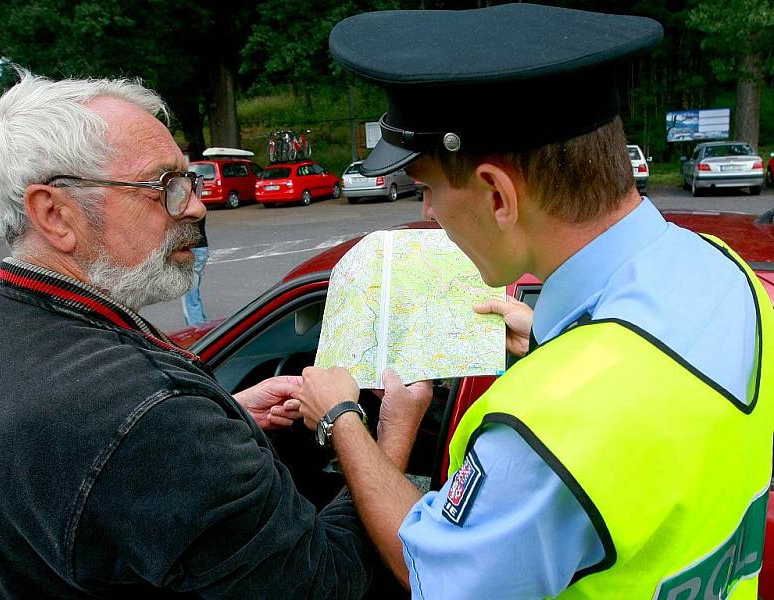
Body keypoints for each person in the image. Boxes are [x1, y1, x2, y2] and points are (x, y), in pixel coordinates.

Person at [296, 4, 774, 598]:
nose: (427, 216)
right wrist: (557, 344)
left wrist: (342, 420)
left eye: (427, 189)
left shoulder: (542, 429)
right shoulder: (728, 273)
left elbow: (434, 573)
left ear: (498, 194)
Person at [0, 71, 427, 598]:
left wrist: (227, 413)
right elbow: (328, 583)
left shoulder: (11, 331)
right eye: (163, 185)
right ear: (55, 214)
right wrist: (372, 427)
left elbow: (96, 465)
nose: (194, 205)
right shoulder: (150, 416)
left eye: (188, 181)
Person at [181, 216, 209, 325]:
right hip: (202, 250)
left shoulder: (183, 211)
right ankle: (202, 324)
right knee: (194, 292)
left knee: (189, 297)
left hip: (191, 252)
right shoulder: (199, 208)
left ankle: (196, 329)